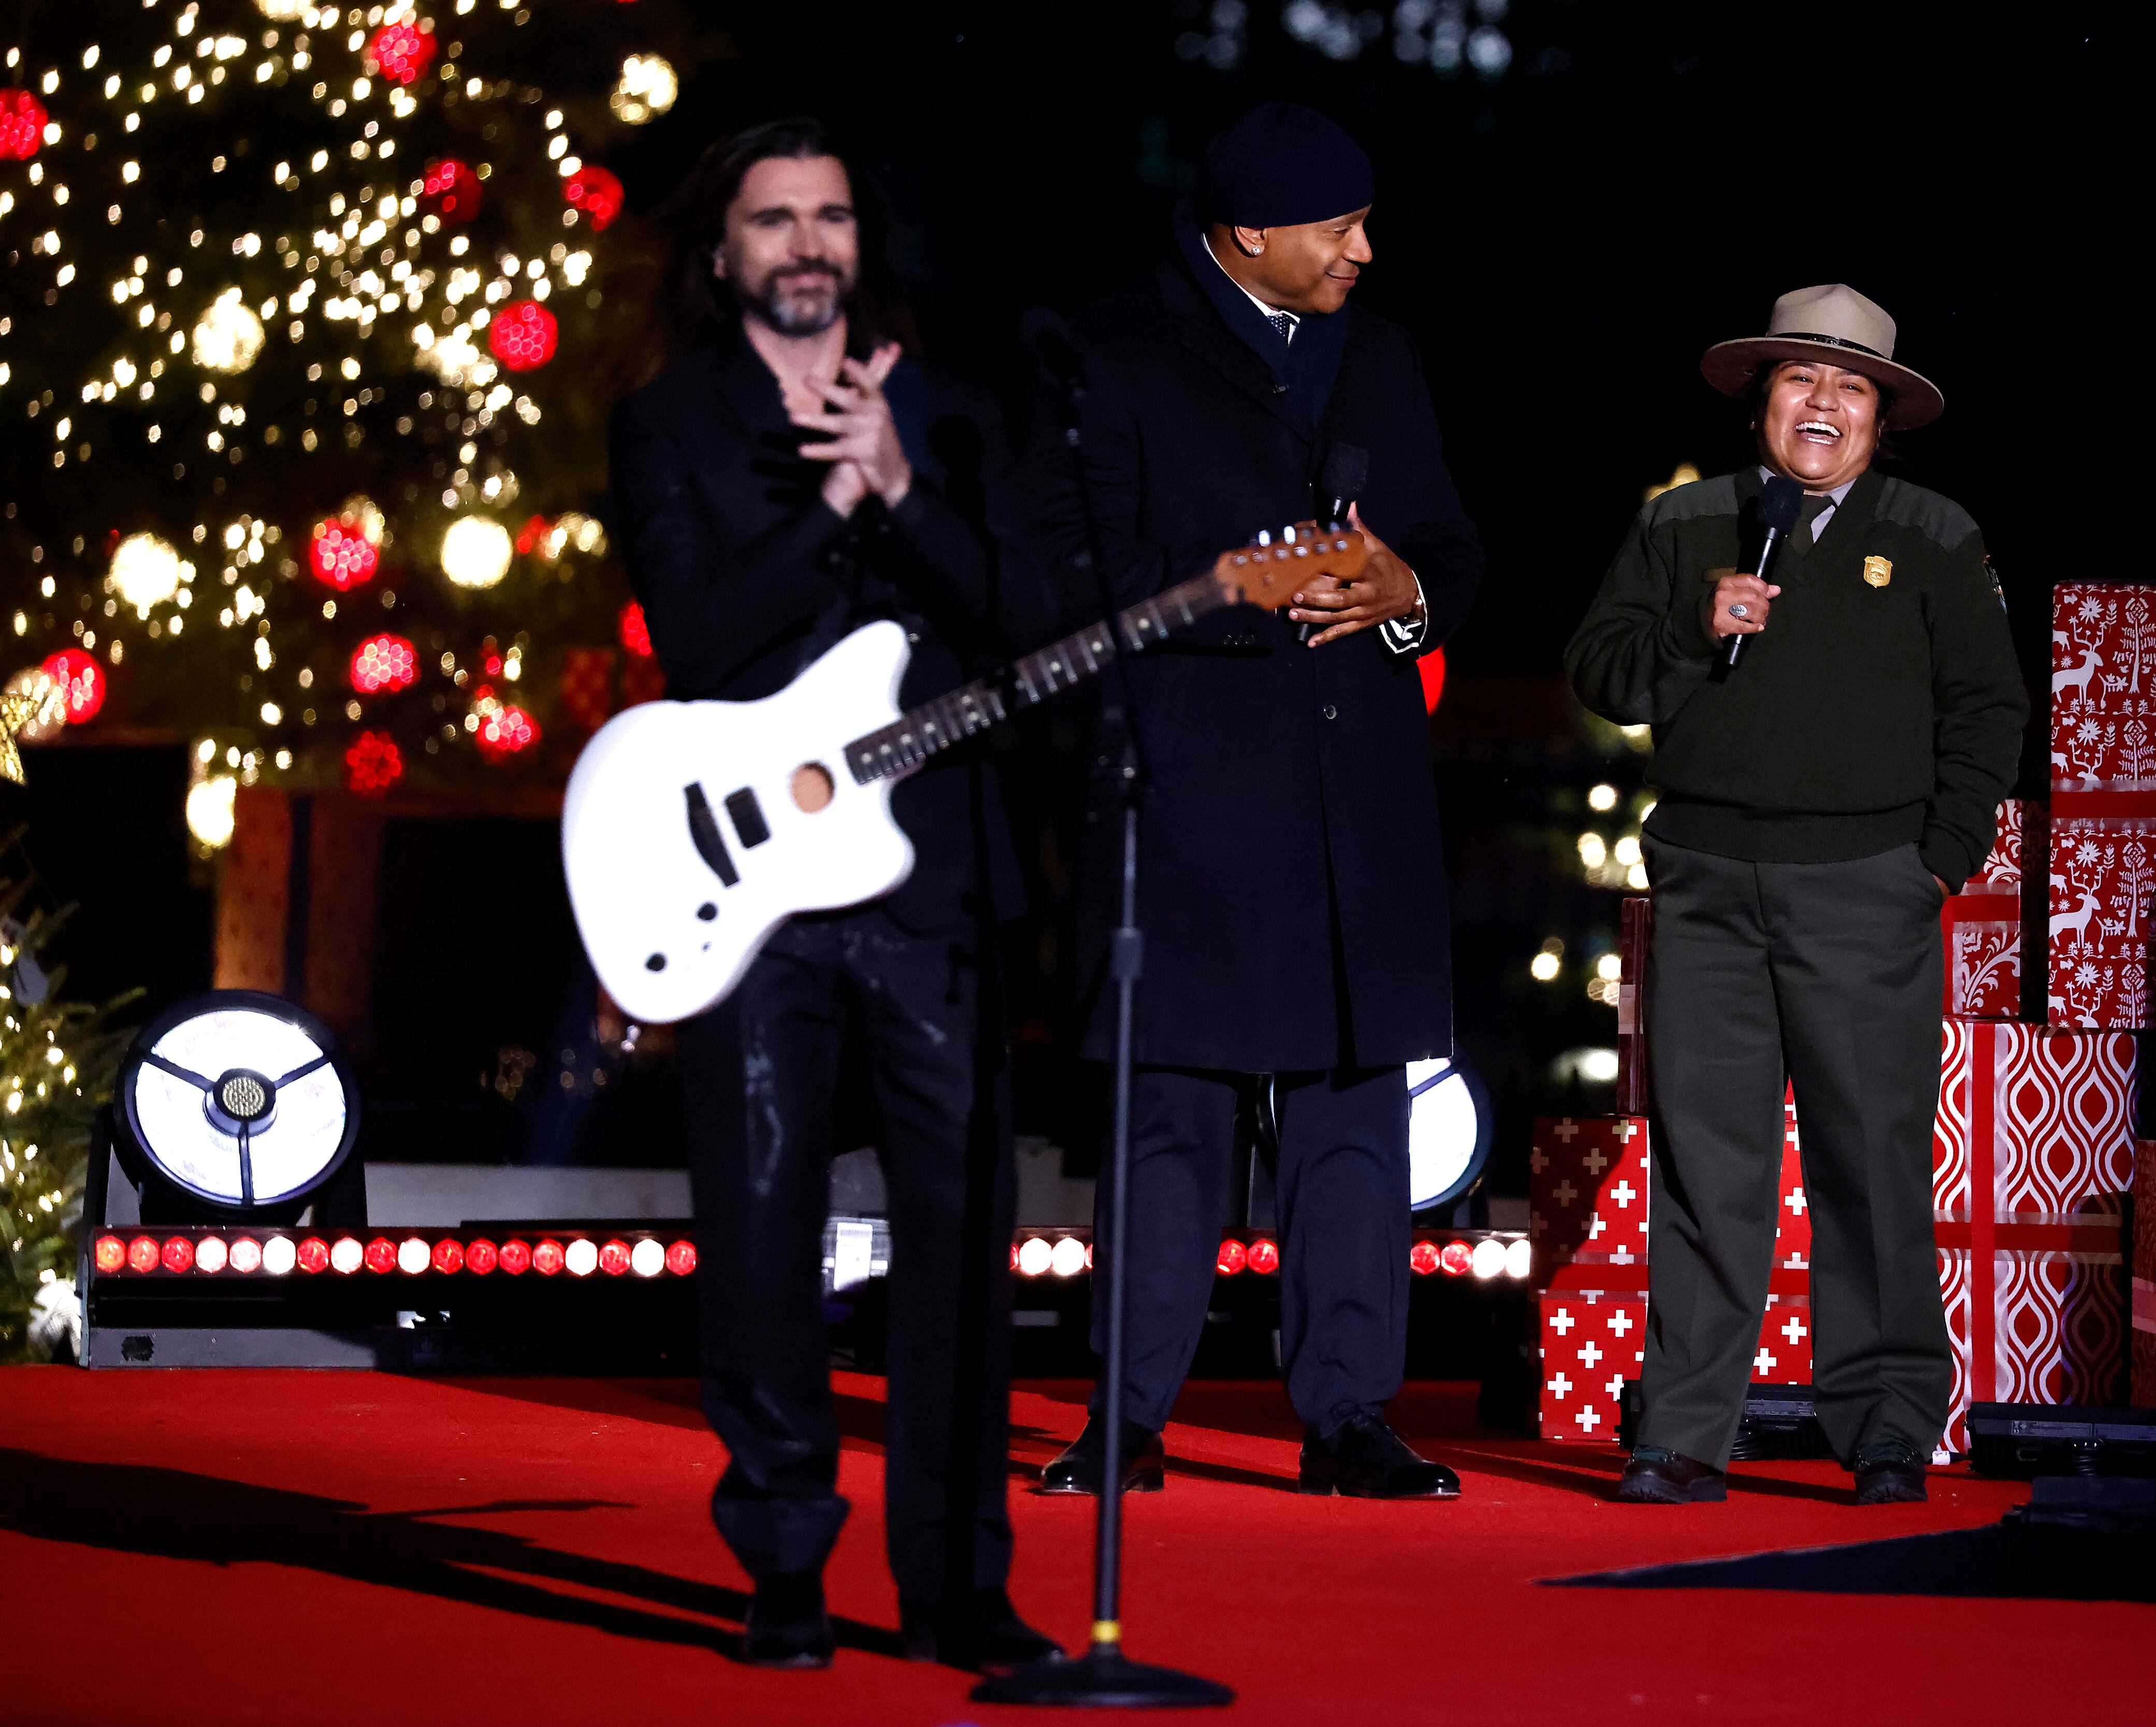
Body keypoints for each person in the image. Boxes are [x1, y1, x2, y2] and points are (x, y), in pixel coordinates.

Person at [606, 118, 1061, 1672]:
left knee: (960, 1247)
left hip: (932, 886)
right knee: (760, 1233)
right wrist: (834, 512)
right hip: (751, 898)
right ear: (723, 251)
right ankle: (785, 1565)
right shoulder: (673, 422)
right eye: (776, 219)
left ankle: (959, 1586)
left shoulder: (944, 408)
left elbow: (1023, 620)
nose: (809, 243)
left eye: (834, 218)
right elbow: (698, 635)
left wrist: (905, 486)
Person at [1016, 103, 1483, 1499]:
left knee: (1354, 1112)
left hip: (1361, 806)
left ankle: (1348, 1417)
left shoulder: (1385, 358)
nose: (1365, 251)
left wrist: (1408, 594)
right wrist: (1250, 586)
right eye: (1338, 228)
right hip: (1198, 803)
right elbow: (1068, 572)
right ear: (1249, 234)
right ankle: (1127, 1417)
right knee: (1172, 1119)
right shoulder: (1111, 350)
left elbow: (1449, 541)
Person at [1565, 284, 2025, 1506]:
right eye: (1799, 380)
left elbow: (1989, 709)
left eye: (1850, 387)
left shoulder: (1932, 532)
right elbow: (1599, 669)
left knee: (1867, 1165)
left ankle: (1882, 1428)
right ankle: (1680, 1433)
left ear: (1881, 417)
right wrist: (1689, 626)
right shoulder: (1685, 523)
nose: (1821, 403)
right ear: (1761, 398)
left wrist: (1937, 856)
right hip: (1707, 884)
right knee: (1707, 1166)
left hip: (1864, 886)